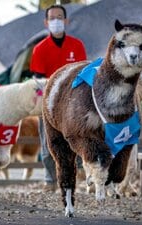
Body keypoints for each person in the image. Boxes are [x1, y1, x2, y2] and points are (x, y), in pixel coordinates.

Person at [30, 4, 87, 191]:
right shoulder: (39, 49)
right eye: (52, 18)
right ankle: (50, 180)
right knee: (49, 142)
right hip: (48, 103)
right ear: (46, 22)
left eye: (59, 17)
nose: (56, 21)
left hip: (73, 104)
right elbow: (38, 80)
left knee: (76, 138)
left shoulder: (77, 45)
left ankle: (77, 174)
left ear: (66, 20)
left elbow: (82, 73)